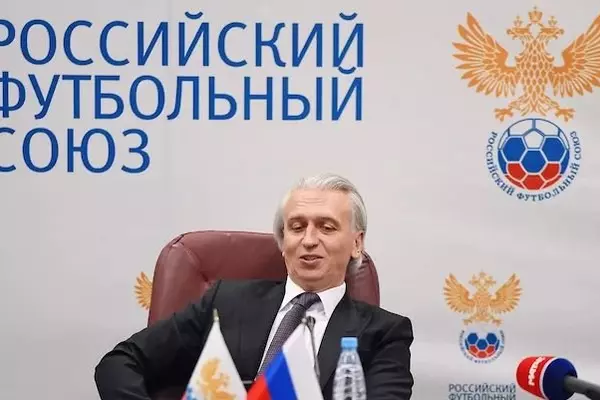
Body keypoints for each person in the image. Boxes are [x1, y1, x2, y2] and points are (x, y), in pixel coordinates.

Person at [94, 173, 414, 400]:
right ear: (283, 241)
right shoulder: (225, 302)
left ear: (356, 243)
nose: (308, 240)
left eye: (326, 227)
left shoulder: (384, 334)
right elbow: (121, 362)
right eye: (296, 227)